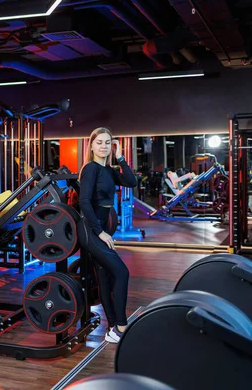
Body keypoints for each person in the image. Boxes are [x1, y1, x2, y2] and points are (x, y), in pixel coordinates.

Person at [78, 127, 138, 343]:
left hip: (100, 228)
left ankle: (113, 327)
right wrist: (100, 232)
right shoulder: (90, 169)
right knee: (122, 273)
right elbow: (84, 202)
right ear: (91, 145)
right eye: (99, 142)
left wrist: (121, 157)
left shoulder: (109, 170)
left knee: (104, 277)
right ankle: (121, 326)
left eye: (107, 142)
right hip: (90, 230)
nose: (103, 146)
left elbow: (132, 182)